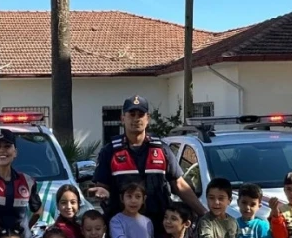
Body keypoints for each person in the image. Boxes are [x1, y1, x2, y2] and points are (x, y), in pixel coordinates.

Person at [88, 95, 206, 228]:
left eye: (140, 114)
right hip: (122, 227)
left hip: (159, 226)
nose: (136, 119)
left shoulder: (161, 149)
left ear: (148, 119)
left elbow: (178, 184)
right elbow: (102, 186)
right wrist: (101, 191)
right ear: (123, 119)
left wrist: (203, 213)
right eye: (131, 114)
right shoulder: (110, 151)